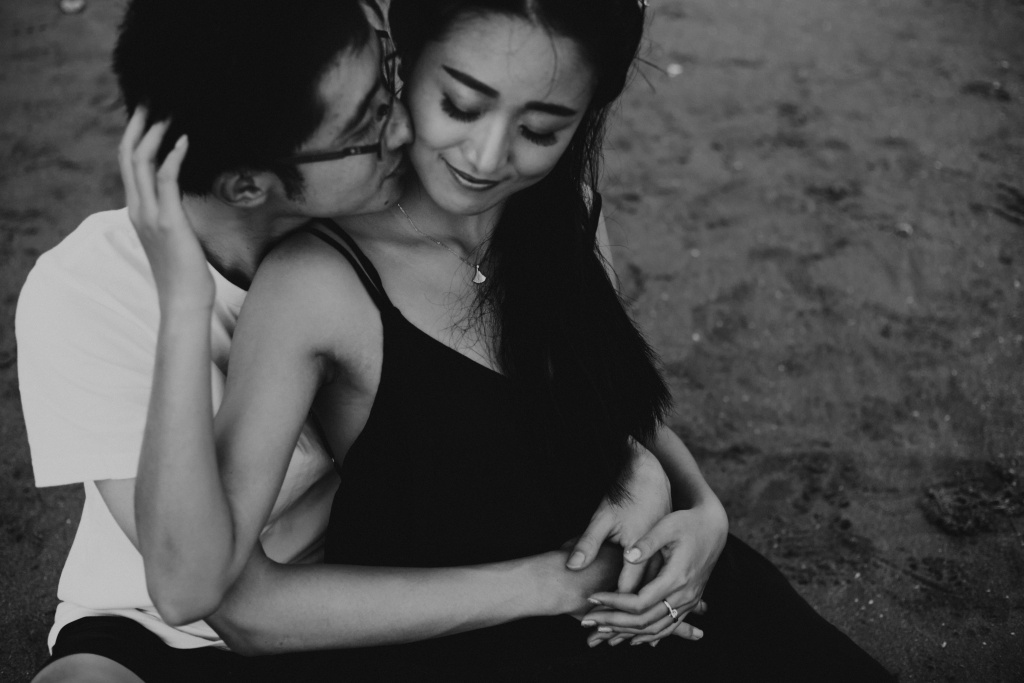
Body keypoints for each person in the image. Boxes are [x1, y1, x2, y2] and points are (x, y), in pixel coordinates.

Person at [128, 0, 895, 680]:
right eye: (460, 105)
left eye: (540, 129)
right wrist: (554, 583)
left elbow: (607, 401)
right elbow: (232, 599)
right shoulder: (313, 283)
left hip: (663, 595)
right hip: (465, 646)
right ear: (401, 69)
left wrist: (703, 511)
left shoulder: (569, 210)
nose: (487, 158)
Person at [18, 1, 689, 681]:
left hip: (371, 596)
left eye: (388, 81)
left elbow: (548, 370)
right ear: (249, 185)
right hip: (164, 622)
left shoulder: (421, 212)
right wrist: (185, 308)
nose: (402, 126)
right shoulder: (93, 293)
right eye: (365, 125)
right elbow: (198, 591)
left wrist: (667, 482)